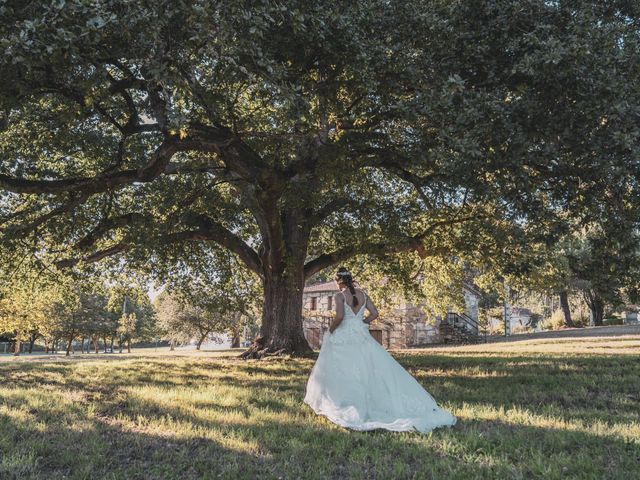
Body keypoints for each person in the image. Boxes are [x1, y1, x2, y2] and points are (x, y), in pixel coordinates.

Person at [304, 267, 457, 433]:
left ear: (339, 280)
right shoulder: (363, 294)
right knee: (368, 366)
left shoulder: (340, 296)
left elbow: (340, 317)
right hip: (361, 335)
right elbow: (375, 313)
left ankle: (346, 402)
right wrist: (362, 322)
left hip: (344, 336)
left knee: (344, 368)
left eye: (335, 280)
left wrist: (331, 330)